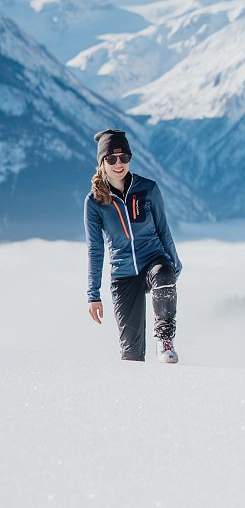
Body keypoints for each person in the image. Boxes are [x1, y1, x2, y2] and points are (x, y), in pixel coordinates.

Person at [84, 129, 182, 363]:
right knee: (132, 354)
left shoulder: (148, 189)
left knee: (164, 273)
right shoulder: (94, 202)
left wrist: (174, 265)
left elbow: (163, 229)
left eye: (124, 157)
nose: (119, 164)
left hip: (153, 261)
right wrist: (93, 294)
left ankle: (164, 339)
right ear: (102, 162)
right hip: (124, 276)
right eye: (112, 158)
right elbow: (95, 249)